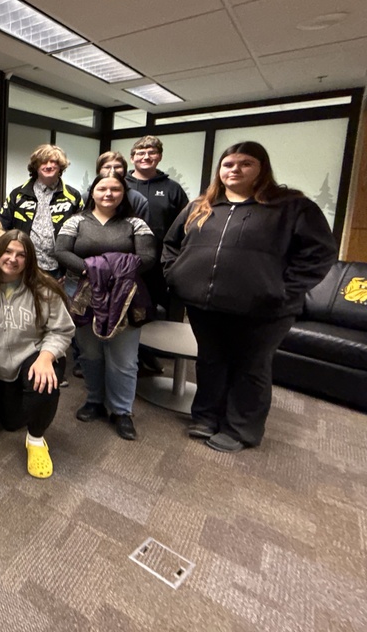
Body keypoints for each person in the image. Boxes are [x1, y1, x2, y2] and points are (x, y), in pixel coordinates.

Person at [162, 141, 336, 453]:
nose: (235, 170)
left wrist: (283, 289)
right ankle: (205, 416)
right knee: (210, 361)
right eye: (229, 164)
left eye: (245, 163)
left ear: (262, 168)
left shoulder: (291, 206)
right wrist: (175, 275)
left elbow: (320, 254)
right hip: (205, 304)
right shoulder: (202, 205)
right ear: (220, 170)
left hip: (264, 309)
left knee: (251, 366)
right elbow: (172, 243)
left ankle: (240, 428)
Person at [54, 173, 156, 441]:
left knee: (123, 359)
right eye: (102, 188)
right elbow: (62, 252)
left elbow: (147, 257)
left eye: (115, 189)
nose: (108, 193)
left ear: (124, 193)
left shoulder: (135, 223)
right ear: (93, 192)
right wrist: (93, 269)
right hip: (83, 296)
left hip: (125, 298)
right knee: (89, 353)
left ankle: (122, 411)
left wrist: (108, 269)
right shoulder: (76, 221)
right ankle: (95, 401)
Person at [0, 231, 74, 478]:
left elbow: (62, 330)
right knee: (11, 422)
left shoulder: (44, 289)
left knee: (45, 382)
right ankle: (20, 410)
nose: (13, 259)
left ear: (30, 259)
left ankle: (36, 440)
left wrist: (47, 357)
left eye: (21, 254)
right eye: (7, 252)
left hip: (32, 358)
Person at [0, 144, 82, 277]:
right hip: (24, 266)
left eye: (53, 162)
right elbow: (1, 227)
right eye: (43, 162)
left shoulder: (72, 196)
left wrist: (69, 271)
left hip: (59, 269)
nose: (48, 166)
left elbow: (81, 234)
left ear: (60, 166)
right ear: (36, 166)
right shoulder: (18, 194)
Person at [125, 136, 189, 312]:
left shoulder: (172, 188)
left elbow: (186, 225)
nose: (146, 157)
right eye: (141, 153)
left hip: (160, 262)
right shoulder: (119, 185)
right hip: (125, 259)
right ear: (132, 158)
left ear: (159, 157)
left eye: (152, 152)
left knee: (157, 310)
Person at [95, 151, 148, 222]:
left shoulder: (138, 199)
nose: (112, 170)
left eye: (117, 167)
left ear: (124, 170)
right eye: (107, 167)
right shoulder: (87, 197)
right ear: (99, 171)